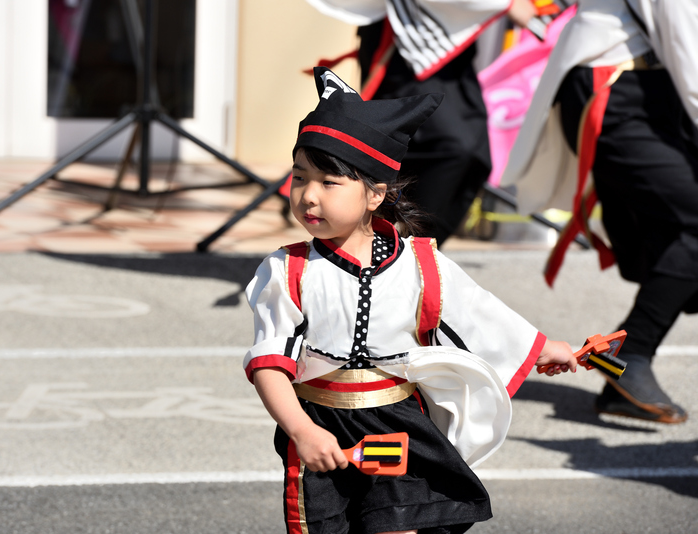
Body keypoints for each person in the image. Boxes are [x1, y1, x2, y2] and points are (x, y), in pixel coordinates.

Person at [244, 67, 578, 534]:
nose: (308, 196)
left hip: (400, 424)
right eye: (300, 178)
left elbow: (480, 315)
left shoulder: (422, 263)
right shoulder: (287, 270)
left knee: (400, 525)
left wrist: (545, 347)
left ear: (375, 194)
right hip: (320, 421)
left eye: (329, 182)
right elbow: (269, 363)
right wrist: (301, 429)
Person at [502, 0, 698, 424]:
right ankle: (629, 359)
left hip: (647, 90)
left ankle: (621, 371)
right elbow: (690, 47)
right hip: (618, 88)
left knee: (678, 238)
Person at [303, 0, 540, 245]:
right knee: (448, 146)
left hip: (451, 42)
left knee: (474, 157)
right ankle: (386, 243)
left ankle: (414, 248)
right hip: (407, 41)